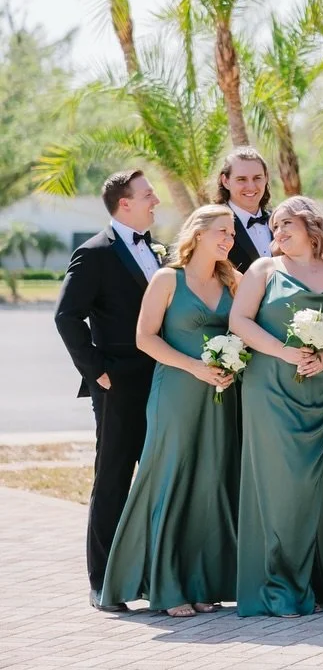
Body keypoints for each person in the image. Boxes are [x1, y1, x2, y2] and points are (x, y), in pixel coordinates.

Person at [100, 206, 241, 616]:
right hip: (177, 389)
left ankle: (200, 583)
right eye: (222, 231)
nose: (229, 239)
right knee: (171, 477)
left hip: (220, 395)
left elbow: (249, 326)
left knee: (210, 481)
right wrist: (195, 365)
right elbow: (145, 338)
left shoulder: (233, 280)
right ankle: (166, 586)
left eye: (232, 232)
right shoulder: (167, 279)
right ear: (197, 233)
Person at [230, 197, 323, 617]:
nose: (277, 232)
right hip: (272, 387)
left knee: (320, 486)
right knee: (280, 483)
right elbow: (239, 322)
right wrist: (284, 352)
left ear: (311, 225)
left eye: (287, 224)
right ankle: (278, 586)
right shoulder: (264, 269)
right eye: (274, 226)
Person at [54, 169, 163, 610]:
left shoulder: (157, 249)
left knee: (158, 476)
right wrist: (97, 371)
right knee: (114, 476)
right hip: (117, 382)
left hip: (162, 378)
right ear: (125, 204)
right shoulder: (94, 253)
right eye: (148, 194)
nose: (155, 199)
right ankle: (102, 582)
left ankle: (154, 576)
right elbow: (66, 316)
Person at [216, 147, 274, 274]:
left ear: (266, 178)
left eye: (257, 178)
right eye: (241, 179)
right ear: (225, 181)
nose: (251, 186)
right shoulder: (213, 225)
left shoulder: (279, 221)